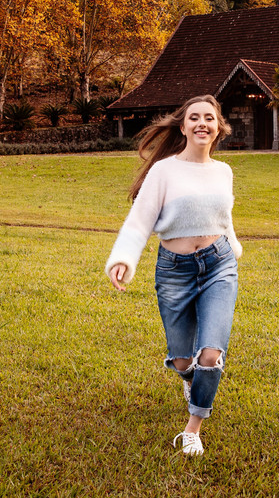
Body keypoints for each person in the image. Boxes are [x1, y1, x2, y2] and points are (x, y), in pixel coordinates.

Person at [105, 95, 243, 456]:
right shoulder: (164, 171)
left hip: (219, 266)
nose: (202, 123)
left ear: (218, 127)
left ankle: (193, 427)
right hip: (175, 271)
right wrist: (123, 258)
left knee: (210, 355)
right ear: (182, 127)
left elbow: (224, 219)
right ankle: (190, 379)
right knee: (184, 361)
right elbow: (140, 221)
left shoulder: (224, 171)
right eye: (194, 118)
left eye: (209, 118)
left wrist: (234, 247)